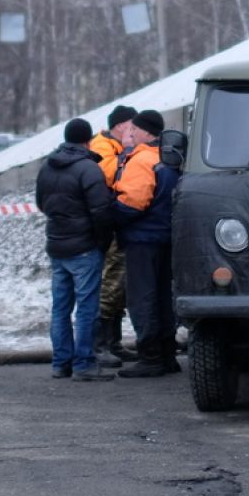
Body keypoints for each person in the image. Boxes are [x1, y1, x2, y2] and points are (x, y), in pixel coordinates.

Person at [35, 118, 116, 382]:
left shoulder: (47, 166)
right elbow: (101, 212)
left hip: (57, 245)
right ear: (87, 140)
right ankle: (83, 364)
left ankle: (61, 363)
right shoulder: (89, 169)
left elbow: (41, 203)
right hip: (84, 247)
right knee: (86, 308)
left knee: (60, 308)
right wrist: (102, 242)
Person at [112, 108, 180, 378]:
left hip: (142, 238)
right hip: (167, 237)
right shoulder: (171, 158)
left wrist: (108, 216)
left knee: (143, 297)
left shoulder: (142, 160)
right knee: (164, 296)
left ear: (145, 132)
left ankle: (150, 356)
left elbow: (133, 201)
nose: (131, 133)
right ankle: (167, 354)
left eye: (135, 129)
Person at [89, 104, 135, 363]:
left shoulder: (114, 147)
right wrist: (130, 152)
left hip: (119, 224)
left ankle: (114, 342)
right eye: (132, 126)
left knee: (119, 284)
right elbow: (110, 175)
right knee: (109, 282)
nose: (134, 131)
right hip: (109, 226)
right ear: (120, 126)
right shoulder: (103, 147)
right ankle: (101, 344)